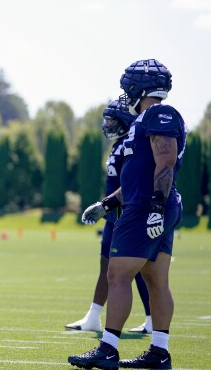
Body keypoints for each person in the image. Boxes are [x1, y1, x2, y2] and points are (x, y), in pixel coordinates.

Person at [69, 59, 186, 370]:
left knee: (118, 275)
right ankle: (160, 352)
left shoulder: (159, 113)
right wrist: (106, 204)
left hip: (147, 207)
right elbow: (136, 177)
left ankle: (107, 348)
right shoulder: (143, 120)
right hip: (146, 203)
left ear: (137, 88)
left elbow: (166, 164)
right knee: (155, 280)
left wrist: (156, 209)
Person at [65, 100, 152, 334]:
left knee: (137, 269)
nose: (107, 124)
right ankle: (93, 317)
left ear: (125, 121)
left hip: (126, 215)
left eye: (112, 119)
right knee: (107, 265)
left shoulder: (131, 144)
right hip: (112, 215)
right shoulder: (118, 145)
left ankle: (151, 319)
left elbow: (132, 182)